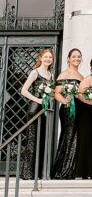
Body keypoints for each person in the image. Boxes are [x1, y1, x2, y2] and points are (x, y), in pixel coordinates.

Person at [18, 48, 54, 179]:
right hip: (34, 109)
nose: (48, 59)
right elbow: (24, 90)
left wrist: (49, 98)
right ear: (40, 58)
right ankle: (28, 173)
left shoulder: (51, 75)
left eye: (50, 57)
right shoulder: (35, 72)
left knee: (42, 140)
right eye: (46, 57)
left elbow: (51, 93)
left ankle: (38, 172)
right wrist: (38, 99)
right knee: (32, 140)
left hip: (45, 110)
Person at [51, 48, 83, 179]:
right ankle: (63, 169)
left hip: (80, 109)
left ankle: (73, 168)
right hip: (68, 109)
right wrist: (66, 102)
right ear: (68, 58)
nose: (76, 59)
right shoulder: (64, 74)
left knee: (77, 137)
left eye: (79, 57)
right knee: (68, 136)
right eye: (74, 56)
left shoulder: (82, 76)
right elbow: (56, 93)